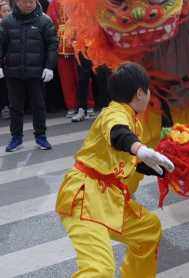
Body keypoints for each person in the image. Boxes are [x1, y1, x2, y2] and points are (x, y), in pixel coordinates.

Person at [55, 62, 174, 277]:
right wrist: (139, 148)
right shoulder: (115, 114)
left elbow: (129, 161)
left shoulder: (132, 119)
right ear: (140, 93)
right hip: (85, 197)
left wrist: (165, 168)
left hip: (108, 196)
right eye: (148, 91)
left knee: (148, 230)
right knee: (100, 271)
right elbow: (118, 134)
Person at [0, 0, 58, 152]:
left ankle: (41, 136)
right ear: (17, 1)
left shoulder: (44, 20)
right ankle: (16, 138)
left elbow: (52, 45)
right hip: (14, 71)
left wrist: (49, 67)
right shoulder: (8, 20)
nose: (29, 5)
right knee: (15, 106)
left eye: (32, 1)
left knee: (38, 105)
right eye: (25, 2)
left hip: (36, 72)